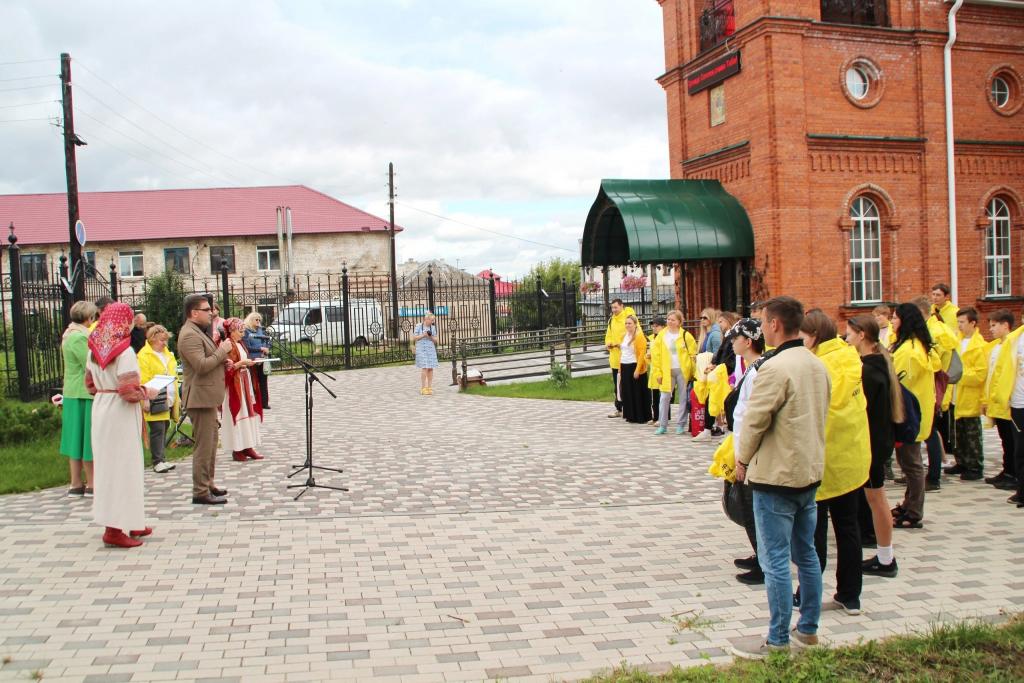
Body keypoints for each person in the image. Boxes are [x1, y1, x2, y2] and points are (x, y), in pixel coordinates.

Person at [733, 296, 830, 658]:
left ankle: (777, 640)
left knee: (774, 559)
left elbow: (755, 421)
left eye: (763, 321)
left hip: (775, 476)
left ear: (774, 324)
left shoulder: (774, 367)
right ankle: (808, 629)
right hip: (808, 472)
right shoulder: (815, 363)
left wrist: (741, 459)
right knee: (806, 553)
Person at [799, 310, 870, 615]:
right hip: (852, 458)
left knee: (813, 534)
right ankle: (850, 595)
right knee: (848, 528)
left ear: (813, 336)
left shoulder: (817, 366)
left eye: (802, 337)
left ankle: (808, 595)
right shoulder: (850, 357)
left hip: (823, 460)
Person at [85, 302, 155, 548]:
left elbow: (90, 385)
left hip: (103, 406)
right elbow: (128, 391)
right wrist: (148, 391)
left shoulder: (94, 349)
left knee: (112, 465)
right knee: (124, 466)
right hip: (121, 411)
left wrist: (107, 391)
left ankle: (131, 518)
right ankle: (113, 529)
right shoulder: (123, 351)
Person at [845, 315, 902, 578]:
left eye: (849, 333)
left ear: (861, 335)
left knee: (876, 499)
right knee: (875, 498)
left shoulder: (868, 370)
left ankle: (886, 557)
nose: (846, 338)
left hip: (871, 444)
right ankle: (884, 555)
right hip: (877, 442)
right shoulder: (878, 364)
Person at [721, 318, 768, 585]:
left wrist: (744, 457)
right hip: (742, 445)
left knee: (751, 508)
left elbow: (753, 416)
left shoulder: (757, 372)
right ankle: (759, 554)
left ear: (748, 342)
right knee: (749, 506)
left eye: (735, 338)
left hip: (750, 452)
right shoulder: (750, 368)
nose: (732, 342)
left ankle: (764, 563)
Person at [179, 294, 233, 505]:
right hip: (199, 398)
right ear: (194, 313)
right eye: (206, 309)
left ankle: (208, 482)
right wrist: (222, 352)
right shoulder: (189, 335)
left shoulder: (197, 332)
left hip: (207, 397)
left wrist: (222, 361)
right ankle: (200, 491)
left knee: (211, 443)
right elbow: (201, 366)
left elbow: (208, 360)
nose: (211, 313)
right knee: (203, 446)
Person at [890, 303, 938, 528]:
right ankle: (909, 503)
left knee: (911, 464)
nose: (892, 321)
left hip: (909, 414)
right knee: (909, 461)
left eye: (895, 317)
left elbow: (897, 383)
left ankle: (914, 511)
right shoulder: (913, 345)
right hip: (916, 411)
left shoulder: (909, 351)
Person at [60, 300, 98, 497]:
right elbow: (90, 365)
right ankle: (90, 483)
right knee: (85, 439)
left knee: (76, 438)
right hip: (82, 393)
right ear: (88, 318)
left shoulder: (70, 334)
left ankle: (76, 483)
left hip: (73, 392)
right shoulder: (79, 338)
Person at [945, 308, 987, 481]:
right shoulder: (956, 341)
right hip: (955, 393)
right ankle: (961, 461)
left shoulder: (979, 346)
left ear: (972, 323)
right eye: (958, 322)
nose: (959, 325)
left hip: (969, 395)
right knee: (957, 432)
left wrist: (960, 374)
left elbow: (980, 374)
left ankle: (975, 466)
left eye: (962, 322)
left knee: (972, 434)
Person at [983, 309, 1019, 491]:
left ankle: (1013, 474)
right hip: (996, 400)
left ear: (1006, 325)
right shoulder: (994, 346)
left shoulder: (1013, 345)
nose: (991, 329)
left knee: (1012, 440)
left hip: (1008, 400)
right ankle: (1006, 470)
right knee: (1004, 438)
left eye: (994, 325)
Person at [221, 318, 265, 462]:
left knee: (248, 413)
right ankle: (238, 448)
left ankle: (248, 446)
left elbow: (242, 361)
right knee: (239, 414)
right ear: (232, 331)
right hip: (235, 386)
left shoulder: (240, 344)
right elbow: (227, 367)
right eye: (240, 331)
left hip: (244, 382)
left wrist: (250, 363)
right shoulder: (228, 345)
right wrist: (241, 363)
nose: (242, 334)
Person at [138, 324, 179, 473]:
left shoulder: (167, 354)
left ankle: (162, 458)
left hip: (167, 395)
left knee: (165, 426)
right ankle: (157, 460)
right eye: (162, 340)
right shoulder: (144, 355)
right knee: (157, 429)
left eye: (166, 340)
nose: (165, 343)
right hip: (154, 396)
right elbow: (143, 378)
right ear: (153, 338)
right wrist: (146, 399)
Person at [651, 310, 696, 434]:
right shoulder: (661, 336)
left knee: (683, 398)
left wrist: (692, 371)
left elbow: (692, 354)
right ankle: (663, 424)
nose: (670, 322)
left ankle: (681, 424)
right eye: (668, 319)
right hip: (666, 371)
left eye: (673, 320)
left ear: (679, 322)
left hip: (682, 371)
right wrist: (658, 373)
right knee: (664, 397)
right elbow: (656, 356)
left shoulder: (686, 335)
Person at [604, 299, 636, 418]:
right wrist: (608, 343)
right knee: (617, 385)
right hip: (615, 358)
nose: (614, 310)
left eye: (616, 307)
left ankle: (629, 407)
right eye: (612, 308)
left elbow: (632, 335)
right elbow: (608, 335)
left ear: (622, 306)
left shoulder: (628, 318)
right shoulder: (611, 320)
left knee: (628, 384)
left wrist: (619, 343)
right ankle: (619, 408)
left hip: (627, 358)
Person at [617, 315, 651, 424]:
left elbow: (641, 354)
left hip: (634, 365)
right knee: (627, 391)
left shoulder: (639, 336)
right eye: (626, 323)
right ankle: (630, 415)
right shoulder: (624, 336)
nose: (627, 325)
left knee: (637, 391)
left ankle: (640, 415)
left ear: (635, 324)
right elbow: (622, 353)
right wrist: (619, 368)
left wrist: (637, 369)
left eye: (630, 323)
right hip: (625, 365)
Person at [243, 312, 271, 409]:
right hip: (252, 359)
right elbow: (247, 347)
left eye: (259, 320)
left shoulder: (261, 330)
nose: (258, 322)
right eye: (256, 320)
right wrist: (260, 349)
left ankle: (264, 402)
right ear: (251, 320)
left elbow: (267, 341)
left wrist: (266, 348)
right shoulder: (246, 331)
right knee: (253, 381)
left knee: (263, 381)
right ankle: (254, 402)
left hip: (262, 358)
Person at [646, 316, 668, 425]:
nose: (654, 328)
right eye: (653, 326)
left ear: (663, 327)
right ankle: (655, 417)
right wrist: (649, 356)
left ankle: (663, 418)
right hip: (654, 370)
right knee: (654, 395)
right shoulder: (652, 338)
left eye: (657, 326)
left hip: (662, 369)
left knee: (662, 396)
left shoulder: (665, 338)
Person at [413, 312, 439, 395]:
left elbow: (436, 340)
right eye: (431, 320)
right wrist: (423, 335)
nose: (432, 321)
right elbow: (415, 338)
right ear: (426, 319)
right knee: (424, 367)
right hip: (421, 349)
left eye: (433, 320)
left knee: (430, 368)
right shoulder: (418, 326)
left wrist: (430, 337)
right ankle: (423, 388)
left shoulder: (433, 328)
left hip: (430, 349)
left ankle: (429, 387)